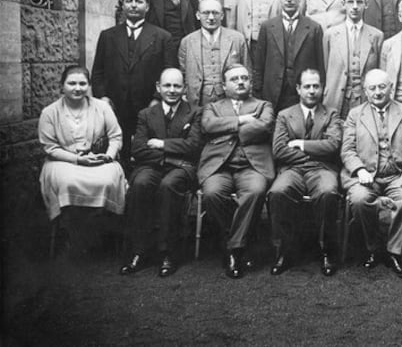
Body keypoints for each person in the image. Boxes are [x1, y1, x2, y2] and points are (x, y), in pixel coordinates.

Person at [120, 68, 202, 277]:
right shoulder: (146, 114)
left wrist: (161, 144)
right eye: (167, 85)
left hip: (182, 168)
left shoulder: (195, 112)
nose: (172, 90)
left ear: (184, 88)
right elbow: (138, 148)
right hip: (152, 165)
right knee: (140, 184)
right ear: (158, 87)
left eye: (177, 86)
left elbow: (193, 146)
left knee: (169, 186)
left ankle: (168, 252)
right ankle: (138, 251)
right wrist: (169, 153)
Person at [341, 69, 402, 278]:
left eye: (382, 87)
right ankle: (373, 247)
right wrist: (359, 170)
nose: (377, 92)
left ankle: (394, 252)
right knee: (359, 200)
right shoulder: (355, 114)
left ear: (391, 88)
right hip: (367, 174)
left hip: (397, 175)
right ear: (366, 91)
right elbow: (347, 150)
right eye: (372, 88)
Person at [198, 64, 275, 279]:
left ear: (250, 82)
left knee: (255, 191)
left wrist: (226, 130)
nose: (241, 82)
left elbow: (265, 126)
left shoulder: (263, 105)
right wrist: (242, 120)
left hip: (252, 166)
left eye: (244, 78)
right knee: (212, 194)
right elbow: (207, 126)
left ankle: (232, 248)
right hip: (219, 166)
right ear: (224, 85)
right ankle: (240, 243)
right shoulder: (212, 106)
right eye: (234, 79)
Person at [38, 66, 126, 252]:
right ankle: (69, 232)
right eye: (71, 83)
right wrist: (77, 160)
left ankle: (103, 233)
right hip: (62, 161)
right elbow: (50, 147)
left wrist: (108, 156)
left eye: (82, 83)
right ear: (61, 86)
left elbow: (116, 136)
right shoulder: (49, 112)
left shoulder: (102, 108)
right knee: (67, 181)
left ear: (89, 86)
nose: (77, 88)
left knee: (107, 180)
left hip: (99, 160)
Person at [268, 69, 342, 276]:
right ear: (298, 89)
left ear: (322, 89)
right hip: (292, 169)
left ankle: (327, 250)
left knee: (328, 192)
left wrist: (301, 144)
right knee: (278, 192)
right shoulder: (284, 115)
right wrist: (315, 153)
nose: (312, 91)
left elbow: (333, 145)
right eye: (307, 86)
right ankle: (284, 250)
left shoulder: (332, 114)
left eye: (316, 86)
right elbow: (279, 150)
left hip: (322, 170)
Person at [91, 0, 175, 160]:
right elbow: (97, 72)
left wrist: (157, 99)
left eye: (138, 2)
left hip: (148, 106)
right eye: (129, 1)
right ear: (122, 5)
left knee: (147, 154)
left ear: (147, 7)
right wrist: (103, 98)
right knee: (117, 152)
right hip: (115, 107)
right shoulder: (108, 36)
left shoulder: (162, 37)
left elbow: (169, 72)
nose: (134, 5)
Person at [252, 0, 325, 112]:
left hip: (303, 95)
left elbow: (320, 66)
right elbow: (259, 66)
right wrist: (258, 96)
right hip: (273, 96)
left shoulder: (314, 28)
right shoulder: (267, 27)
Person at [323, 0, 384, 118]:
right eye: (350, 2)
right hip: (337, 100)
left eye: (359, 2)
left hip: (366, 101)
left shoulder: (376, 36)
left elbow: (379, 71)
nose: (355, 6)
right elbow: (325, 68)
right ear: (343, 5)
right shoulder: (330, 35)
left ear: (366, 5)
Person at [178, 0, 250, 106]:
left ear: (222, 15)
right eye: (206, 13)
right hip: (197, 103)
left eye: (215, 13)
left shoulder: (237, 39)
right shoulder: (187, 42)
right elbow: (182, 74)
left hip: (231, 102)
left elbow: (248, 71)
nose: (211, 17)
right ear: (198, 15)